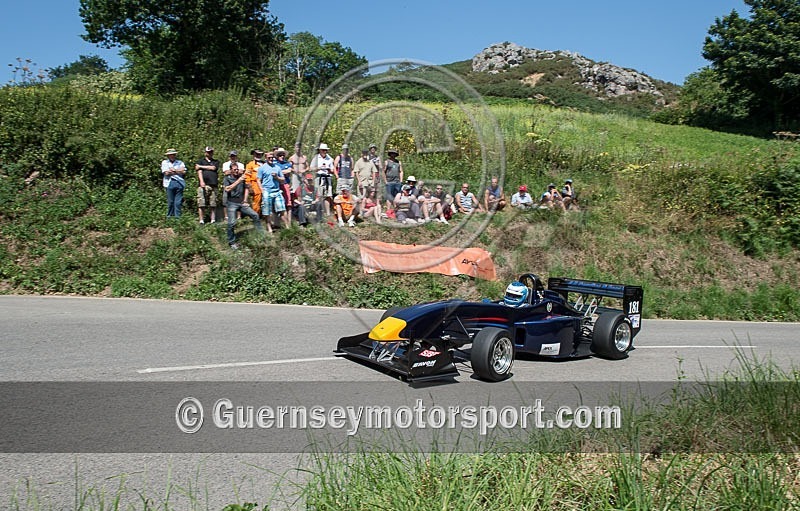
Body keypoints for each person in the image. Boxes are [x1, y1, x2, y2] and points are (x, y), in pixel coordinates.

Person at [223, 161, 264, 249]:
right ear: (231, 170)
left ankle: (261, 235)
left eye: (237, 169)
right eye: (234, 169)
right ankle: (231, 242)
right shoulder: (227, 178)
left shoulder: (242, 177)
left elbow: (246, 188)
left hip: (241, 203)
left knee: (255, 215)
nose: (236, 171)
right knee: (231, 223)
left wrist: (245, 200)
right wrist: (239, 180)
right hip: (232, 203)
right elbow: (227, 189)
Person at [257, 151, 288, 233]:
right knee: (267, 211)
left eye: (272, 157)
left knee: (282, 209)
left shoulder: (277, 167)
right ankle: (269, 228)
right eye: (269, 158)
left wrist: (277, 177)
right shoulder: (262, 168)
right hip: (267, 190)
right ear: (266, 158)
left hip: (276, 191)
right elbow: (258, 180)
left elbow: (283, 180)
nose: (271, 159)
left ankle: (287, 227)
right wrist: (262, 190)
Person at [195, 146, 220, 224]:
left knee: (213, 203)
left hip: (214, 184)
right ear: (205, 153)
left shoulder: (216, 161)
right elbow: (198, 171)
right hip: (203, 184)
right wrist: (201, 181)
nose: (210, 153)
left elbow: (213, 168)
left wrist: (201, 167)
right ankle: (201, 220)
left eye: (211, 152)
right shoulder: (200, 161)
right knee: (201, 203)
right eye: (208, 152)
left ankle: (213, 220)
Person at [309, 143, 335, 216]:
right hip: (319, 177)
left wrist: (329, 169)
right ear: (320, 150)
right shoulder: (316, 158)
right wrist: (318, 168)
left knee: (328, 196)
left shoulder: (329, 158)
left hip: (327, 177)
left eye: (325, 150)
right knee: (319, 195)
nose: (324, 151)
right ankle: (320, 212)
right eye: (323, 150)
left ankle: (328, 213)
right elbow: (311, 168)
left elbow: (333, 170)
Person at [161, 148, 186, 218]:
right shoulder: (165, 162)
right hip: (169, 183)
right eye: (170, 155)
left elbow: (184, 171)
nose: (172, 156)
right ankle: (169, 216)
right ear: (168, 156)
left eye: (173, 154)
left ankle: (177, 217)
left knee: (178, 202)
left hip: (179, 183)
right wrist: (178, 171)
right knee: (171, 201)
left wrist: (174, 170)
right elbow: (166, 173)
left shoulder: (180, 162)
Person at [274, 147, 294, 227]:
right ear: (277, 156)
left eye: (283, 155)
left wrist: (279, 173)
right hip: (276, 185)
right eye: (280, 155)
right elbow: (273, 172)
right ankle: (277, 222)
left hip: (285, 184)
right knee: (277, 204)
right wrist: (282, 172)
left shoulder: (287, 163)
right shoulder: (274, 164)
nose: (282, 156)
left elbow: (289, 171)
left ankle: (289, 222)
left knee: (288, 203)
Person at [244, 149, 265, 214]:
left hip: (265, 184)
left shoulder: (265, 164)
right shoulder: (250, 164)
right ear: (253, 155)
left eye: (260, 154)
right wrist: (249, 187)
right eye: (256, 154)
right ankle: (256, 216)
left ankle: (265, 216)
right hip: (255, 185)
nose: (258, 155)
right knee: (256, 202)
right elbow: (247, 177)